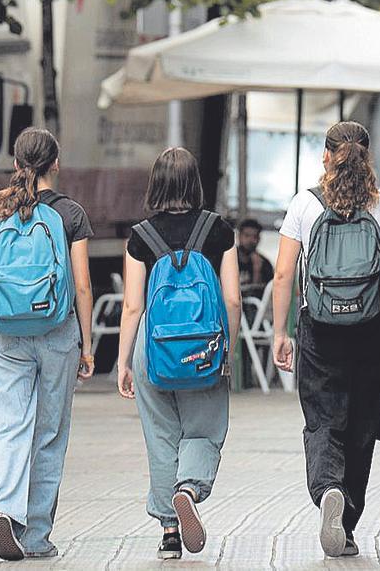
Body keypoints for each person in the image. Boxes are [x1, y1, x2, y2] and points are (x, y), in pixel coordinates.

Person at [271, 122, 380, 558]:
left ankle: (327, 489)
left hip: (318, 327)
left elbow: (283, 273)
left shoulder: (305, 204)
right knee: (362, 424)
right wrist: (371, 285)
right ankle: (348, 525)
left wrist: (280, 332)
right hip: (373, 327)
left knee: (322, 419)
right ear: (367, 157)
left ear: (326, 156)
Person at [116, 147, 242, 560]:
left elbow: (133, 306)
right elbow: (233, 299)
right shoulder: (218, 230)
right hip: (204, 349)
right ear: (195, 183)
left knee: (160, 436)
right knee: (204, 431)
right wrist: (227, 350)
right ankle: (188, 488)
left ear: (156, 184)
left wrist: (123, 361)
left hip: (153, 350)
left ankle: (170, 532)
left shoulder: (141, 236)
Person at [0, 128, 96, 561]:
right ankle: (35, 537)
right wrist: (86, 346)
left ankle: (3, 509)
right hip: (57, 331)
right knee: (49, 433)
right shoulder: (70, 213)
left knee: (9, 426)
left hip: (7, 331)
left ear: (15, 164)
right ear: (55, 164)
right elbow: (82, 286)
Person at [236, 218, 275, 293]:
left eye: (255, 237)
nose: (250, 240)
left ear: (259, 239)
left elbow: (266, 293)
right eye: (247, 235)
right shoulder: (228, 259)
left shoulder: (264, 264)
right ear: (239, 236)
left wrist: (257, 270)